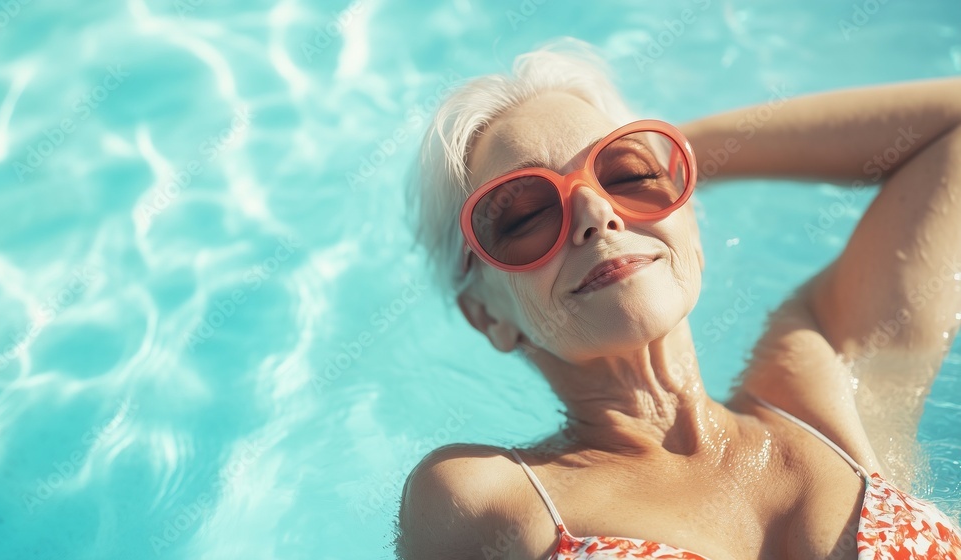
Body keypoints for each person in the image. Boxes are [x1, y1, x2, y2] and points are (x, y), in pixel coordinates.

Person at [395, 39, 961, 559]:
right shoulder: (489, 498)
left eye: (628, 174)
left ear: (692, 225)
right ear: (487, 314)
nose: (598, 213)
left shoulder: (822, 390)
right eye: (528, 213)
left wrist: (680, 155)